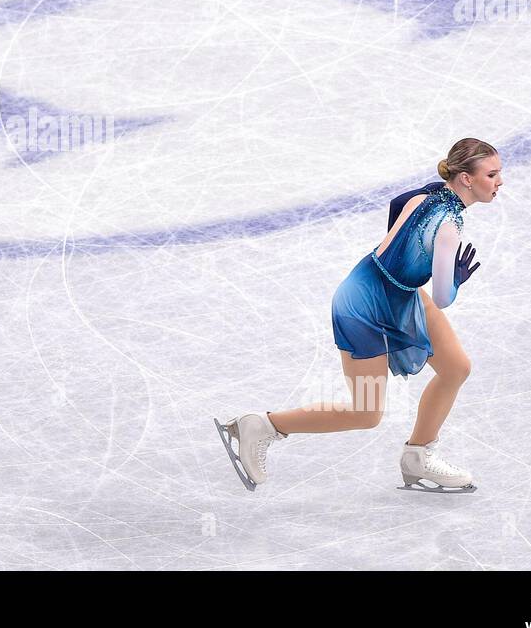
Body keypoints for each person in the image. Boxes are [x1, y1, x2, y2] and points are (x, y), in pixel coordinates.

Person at [214, 138, 502, 493]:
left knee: (456, 367)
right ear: (466, 179)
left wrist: (403, 256)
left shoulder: (428, 193)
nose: (499, 181)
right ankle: (262, 425)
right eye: (492, 174)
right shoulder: (449, 225)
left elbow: (397, 205)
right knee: (367, 412)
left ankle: (418, 456)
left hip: (393, 290)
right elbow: (443, 298)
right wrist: (455, 279)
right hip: (362, 306)